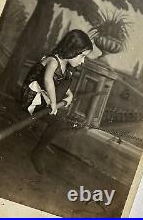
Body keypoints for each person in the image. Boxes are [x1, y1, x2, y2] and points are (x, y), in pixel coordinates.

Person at [21, 29, 93, 173]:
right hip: (30, 95)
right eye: (82, 56)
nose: (82, 61)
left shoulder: (66, 66)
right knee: (58, 120)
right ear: (72, 50)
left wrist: (69, 95)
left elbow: (60, 83)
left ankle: (37, 152)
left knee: (59, 119)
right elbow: (48, 80)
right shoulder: (53, 60)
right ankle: (37, 153)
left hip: (43, 96)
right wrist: (53, 103)